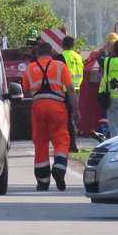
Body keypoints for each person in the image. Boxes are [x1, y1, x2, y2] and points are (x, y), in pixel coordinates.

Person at [22, 39, 79, 191]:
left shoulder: (30, 68)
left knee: (40, 143)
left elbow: (26, 89)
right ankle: (59, 169)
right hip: (57, 106)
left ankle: (43, 181)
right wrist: (76, 110)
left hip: (38, 107)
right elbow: (71, 90)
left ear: (38, 54)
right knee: (61, 139)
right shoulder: (60, 66)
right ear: (51, 53)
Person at [98, 39, 118, 138]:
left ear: (113, 50)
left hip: (111, 96)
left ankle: (116, 145)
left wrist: (105, 48)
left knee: (114, 126)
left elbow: (99, 57)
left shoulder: (107, 61)